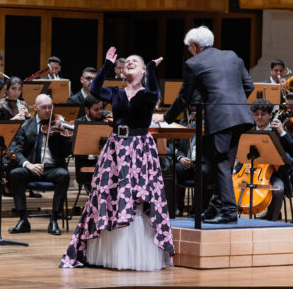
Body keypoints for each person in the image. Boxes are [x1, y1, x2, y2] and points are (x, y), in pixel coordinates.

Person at [60, 47, 174, 270]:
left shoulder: (149, 93)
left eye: (136, 61)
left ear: (142, 69)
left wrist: (151, 69)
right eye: (128, 61)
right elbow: (94, 89)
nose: (130, 62)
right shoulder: (116, 93)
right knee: (110, 195)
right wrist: (106, 66)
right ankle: (111, 252)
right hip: (116, 147)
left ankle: (136, 252)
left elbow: (152, 93)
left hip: (140, 148)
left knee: (138, 196)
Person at [156, 26, 254, 224]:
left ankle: (227, 211)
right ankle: (217, 206)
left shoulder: (194, 63)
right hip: (240, 117)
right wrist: (233, 104)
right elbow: (249, 86)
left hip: (219, 119)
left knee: (220, 164)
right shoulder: (232, 56)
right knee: (218, 162)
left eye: (190, 48)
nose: (190, 51)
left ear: (195, 46)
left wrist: (165, 117)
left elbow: (184, 97)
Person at [7, 94, 72, 235]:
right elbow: (16, 151)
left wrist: (65, 137)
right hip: (33, 168)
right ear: (35, 108)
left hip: (52, 168)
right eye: (44, 108)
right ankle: (23, 219)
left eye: (50, 107)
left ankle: (54, 219)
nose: (48, 110)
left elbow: (67, 152)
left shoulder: (58, 125)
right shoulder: (25, 127)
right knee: (15, 174)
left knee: (64, 175)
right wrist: (28, 164)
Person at [242, 99, 293, 221]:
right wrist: (236, 169)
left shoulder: (278, 130)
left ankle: (271, 220)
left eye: (263, 114)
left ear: (270, 115)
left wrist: (282, 132)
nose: (259, 117)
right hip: (251, 172)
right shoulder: (249, 131)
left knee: (278, 190)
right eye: (256, 114)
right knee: (231, 185)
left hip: (275, 173)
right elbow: (242, 156)